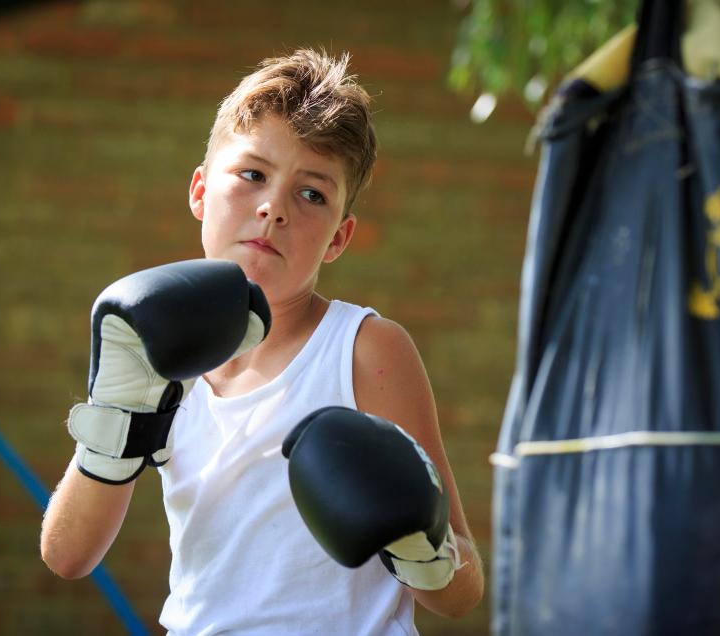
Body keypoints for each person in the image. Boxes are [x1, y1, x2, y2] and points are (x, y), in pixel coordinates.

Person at [40, 48, 484, 634]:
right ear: (200, 191)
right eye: (252, 175)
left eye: (312, 195)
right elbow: (69, 556)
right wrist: (116, 419)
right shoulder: (159, 349)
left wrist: (425, 553)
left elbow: (461, 594)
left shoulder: (363, 349)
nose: (273, 207)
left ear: (339, 238)